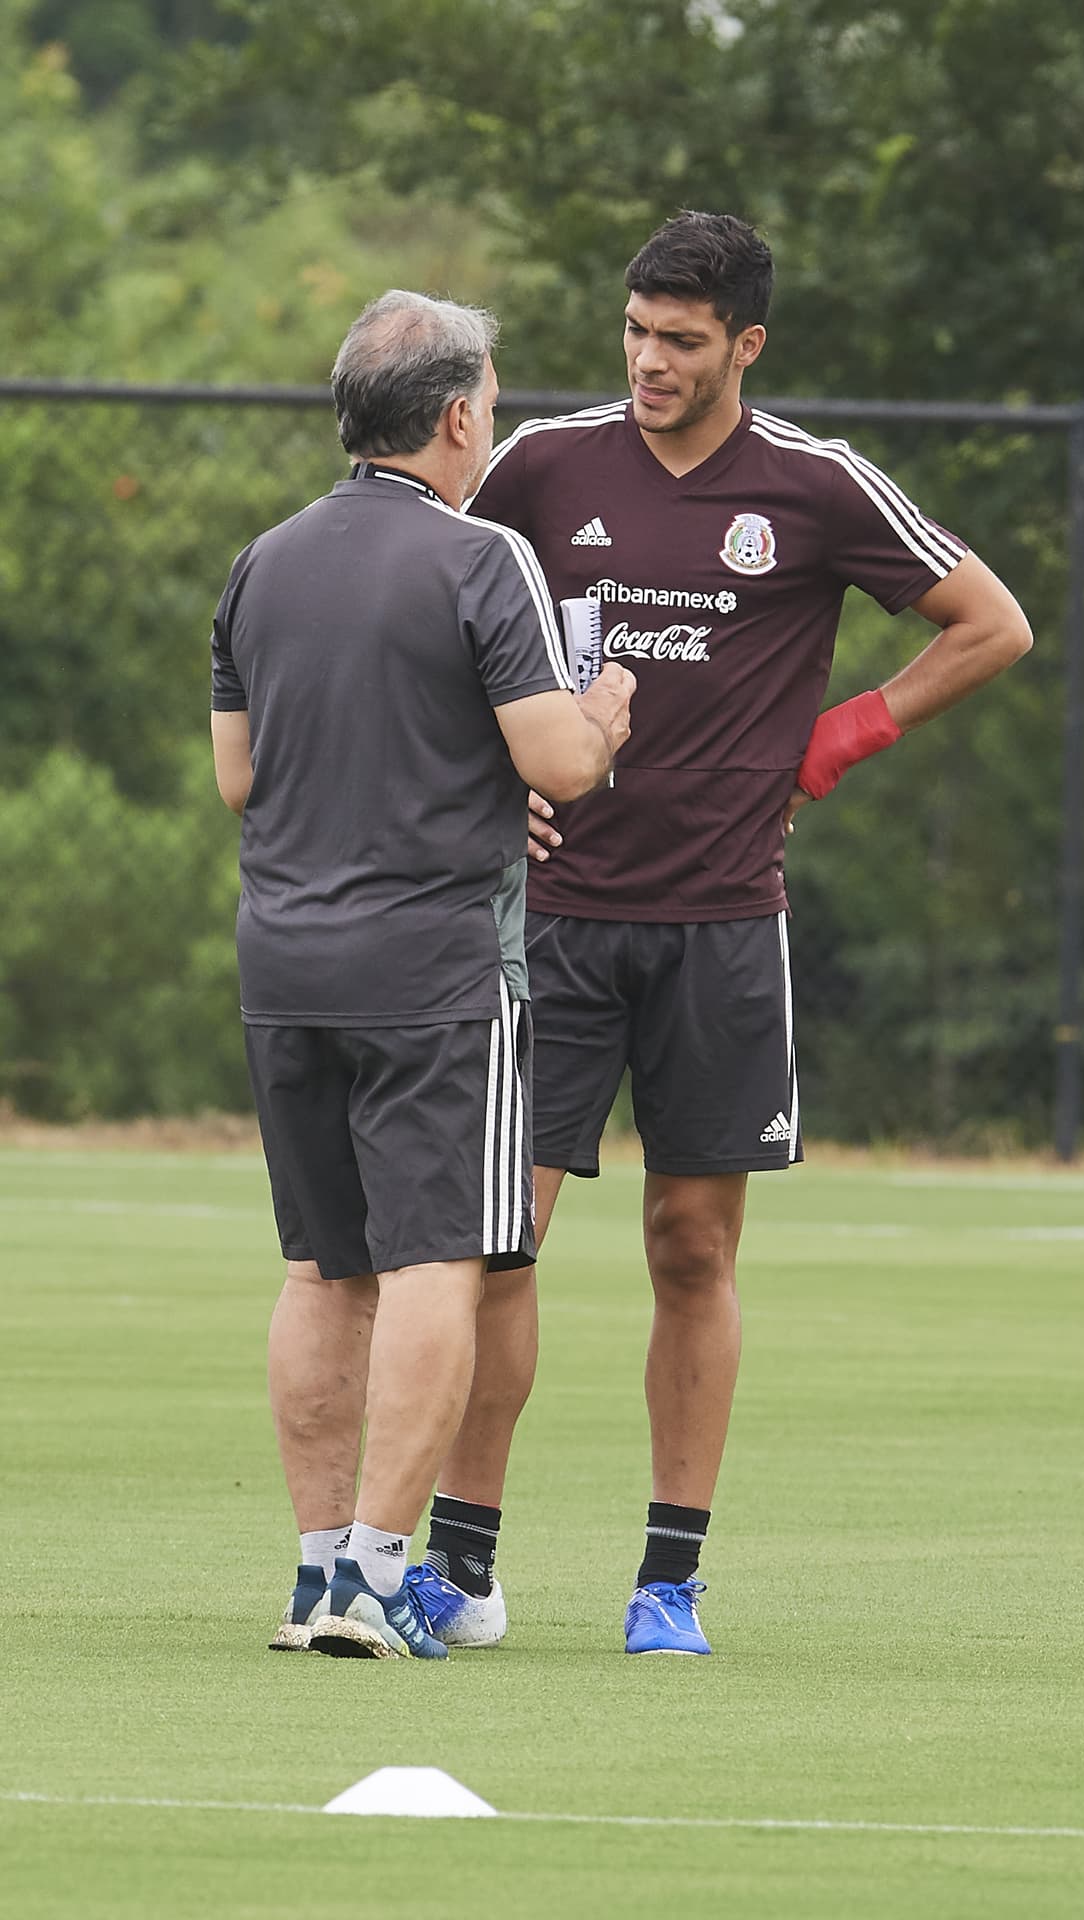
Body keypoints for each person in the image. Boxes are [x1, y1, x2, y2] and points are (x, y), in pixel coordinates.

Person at [409, 212, 1033, 1657]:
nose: (649, 361)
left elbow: (990, 623)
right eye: (636, 331)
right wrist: (488, 784)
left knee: (691, 1248)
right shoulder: (540, 464)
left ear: (746, 345)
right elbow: (417, 614)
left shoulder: (814, 486)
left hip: (721, 930)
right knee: (501, 1245)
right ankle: (464, 1564)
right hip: (546, 926)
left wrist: (835, 743)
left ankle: (667, 1584)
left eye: (682, 340)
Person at [208, 289, 634, 1660]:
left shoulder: (261, 562)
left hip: (284, 957)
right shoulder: (484, 557)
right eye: (492, 398)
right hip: (435, 969)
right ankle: (389, 1580)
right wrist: (606, 715)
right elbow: (561, 765)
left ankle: (317, 1569)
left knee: (321, 1268)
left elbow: (240, 780)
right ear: (458, 416)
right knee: (437, 1257)